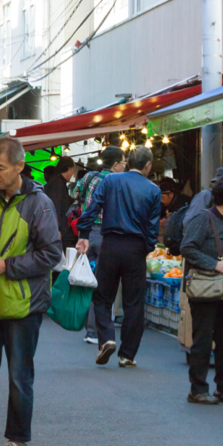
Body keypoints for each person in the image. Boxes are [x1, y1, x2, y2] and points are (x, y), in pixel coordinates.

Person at [0, 135, 61, 446]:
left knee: (20, 377)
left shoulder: (39, 204)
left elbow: (51, 254)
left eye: (1, 168)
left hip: (24, 306)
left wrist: (8, 266)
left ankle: (18, 441)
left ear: (20, 166)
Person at [75, 146, 161, 368]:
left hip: (110, 244)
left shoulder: (110, 181)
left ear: (128, 162)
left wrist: (84, 234)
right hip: (136, 249)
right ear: (148, 165)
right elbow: (152, 227)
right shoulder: (153, 189)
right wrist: (147, 246)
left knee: (103, 296)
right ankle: (127, 355)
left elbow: (91, 209)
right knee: (134, 303)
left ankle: (107, 339)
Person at [181, 174, 223, 405]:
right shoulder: (204, 218)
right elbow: (187, 247)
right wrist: (213, 264)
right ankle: (197, 389)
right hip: (205, 289)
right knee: (202, 339)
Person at [72, 146, 125, 346]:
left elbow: (74, 193)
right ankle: (94, 331)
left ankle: (88, 326)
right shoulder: (116, 181)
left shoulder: (89, 178)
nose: (125, 166)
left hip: (86, 233)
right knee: (101, 284)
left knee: (87, 279)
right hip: (105, 234)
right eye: (123, 163)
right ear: (115, 165)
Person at [44, 156, 78, 251]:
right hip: (58, 230)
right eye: (73, 170)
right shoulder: (57, 183)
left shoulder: (57, 181)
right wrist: (56, 229)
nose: (72, 174)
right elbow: (54, 207)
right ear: (70, 169)